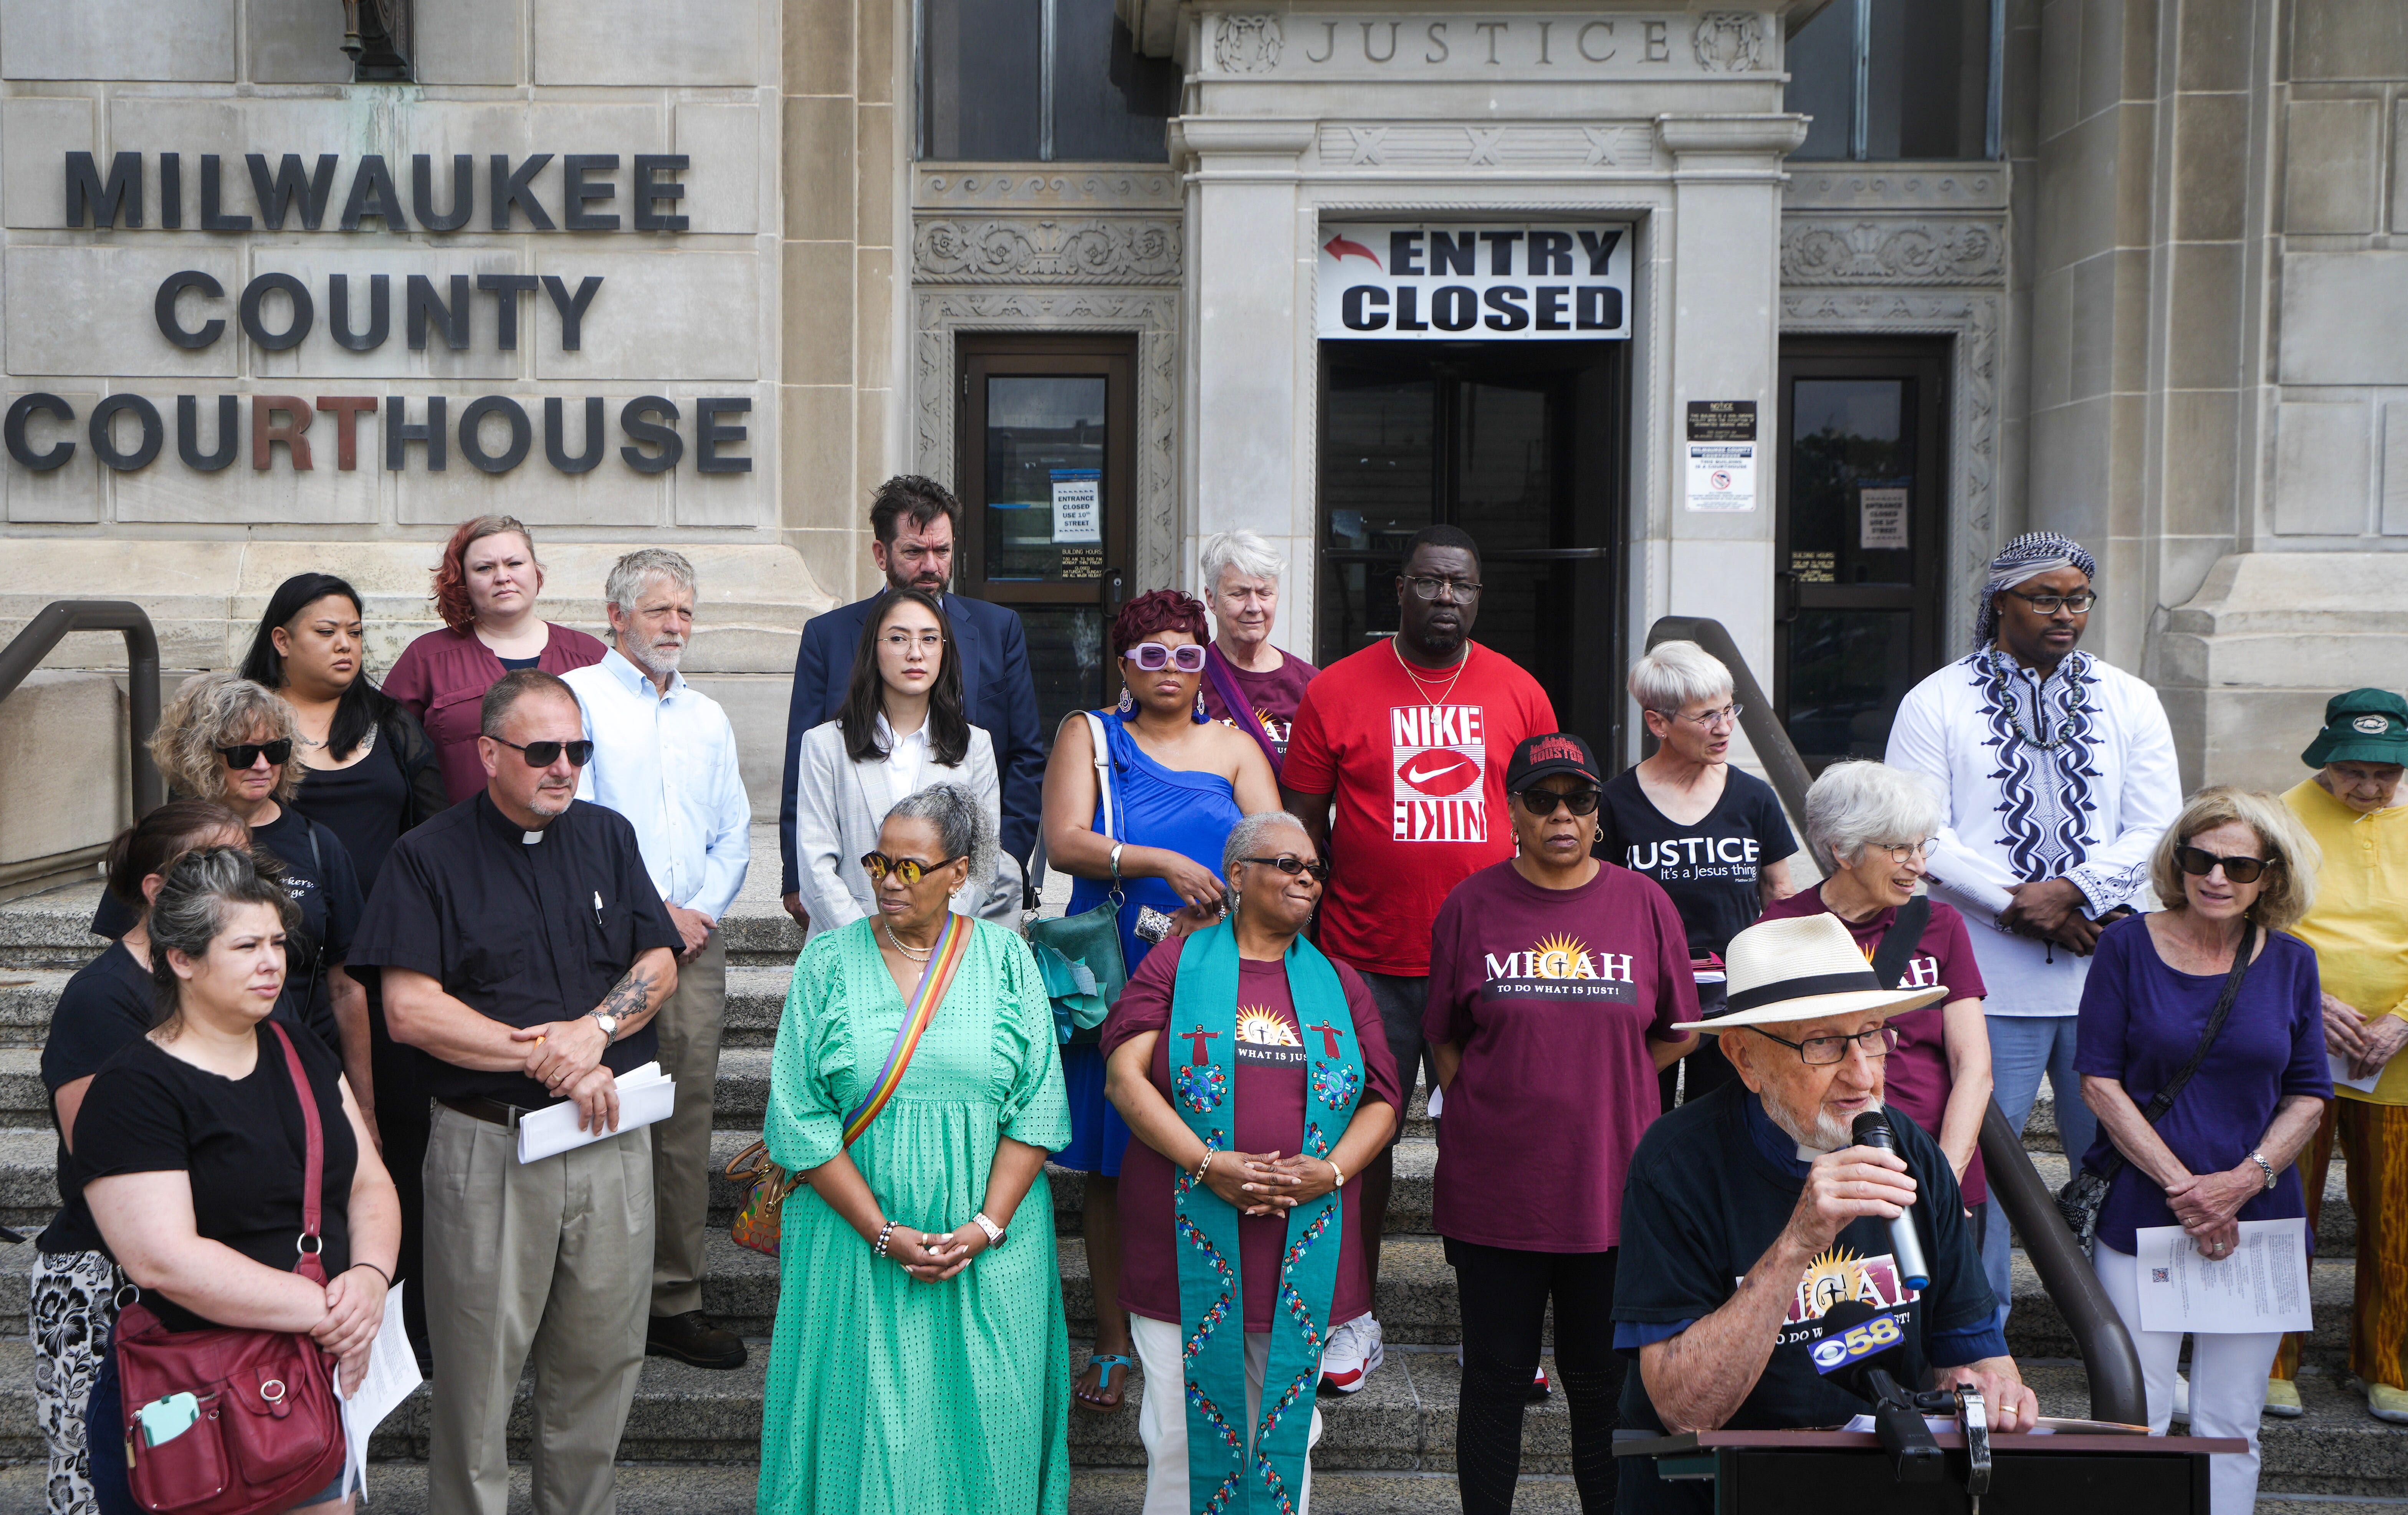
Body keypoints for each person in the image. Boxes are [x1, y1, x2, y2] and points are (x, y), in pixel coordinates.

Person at [347, 669, 682, 1515]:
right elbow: (410, 1010)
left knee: (602, 1362)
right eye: (542, 751)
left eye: (578, 749)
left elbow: (658, 959)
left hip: (609, 1138)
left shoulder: (608, 835)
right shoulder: (426, 856)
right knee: (477, 1376)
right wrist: (550, 1054)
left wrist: (595, 1031)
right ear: (489, 753)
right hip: (489, 1147)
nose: (564, 766)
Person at [1612, 912, 2036, 1515]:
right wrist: (1799, 1239)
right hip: (1717, 1488)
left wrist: (1992, 1388)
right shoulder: (1676, 1163)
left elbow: (1970, 1350)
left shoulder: (1910, 1150)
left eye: (1870, 1034)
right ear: (1744, 1058)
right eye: (1824, 1043)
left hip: (1882, 1481)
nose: (1862, 1074)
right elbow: (1685, 1407)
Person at [1282, 524, 1558, 1390]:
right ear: (1398, 588)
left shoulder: (1519, 692)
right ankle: (1350, 1318)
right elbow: (1302, 828)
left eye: (1462, 584)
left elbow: (1549, 824)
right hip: (1363, 958)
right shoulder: (1336, 690)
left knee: (1498, 1147)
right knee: (1354, 1145)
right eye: (1431, 582)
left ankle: (1499, 1328)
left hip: (1492, 960)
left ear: (1479, 595)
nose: (1446, 597)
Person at [757, 785, 1072, 1513]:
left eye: (909, 867)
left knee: (987, 1431)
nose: (885, 881)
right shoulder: (827, 961)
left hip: (990, 1250)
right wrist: (884, 1232)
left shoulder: (1005, 959)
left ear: (959, 873)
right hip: (853, 1245)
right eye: (877, 862)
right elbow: (799, 1119)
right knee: (858, 1431)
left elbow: (1039, 1105)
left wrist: (985, 1226)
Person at [76, 845, 399, 1515]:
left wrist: (368, 1278)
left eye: (279, 942)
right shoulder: (133, 1088)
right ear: (183, 959)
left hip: (312, 1384)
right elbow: (163, 1257)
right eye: (247, 945)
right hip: (192, 1393)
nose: (272, 962)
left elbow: (368, 1183)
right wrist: (335, 1317)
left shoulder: (299, 1047)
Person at [1423, 734, 1698, 1513]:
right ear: (1511, 809)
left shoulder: (1644, 903)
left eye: (1578, 799)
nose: (1560, 815)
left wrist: (1609, 1086)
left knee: (1602, 1386)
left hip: (1611, 1189)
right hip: (1496, 1190)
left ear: (1598, 813)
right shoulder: (1469, 904)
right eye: (1540, 799)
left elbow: (1681, 1026)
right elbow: (1441, 1030)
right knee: (1495, 1381)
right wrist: (1487, 1094)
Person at [1885, 533, 2180, 1250]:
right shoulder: (1936, 701)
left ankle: (2124, 1342)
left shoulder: (2129, 699)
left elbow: (2159, 826)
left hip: (2108, 974)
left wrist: (2074, 890)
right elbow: (1920, 832)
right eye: (2044, 597)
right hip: (1986, 983)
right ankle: (1979, 1346)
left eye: (2077, 599)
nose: (2065, 614)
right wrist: (2026, 910)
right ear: (1999, 602)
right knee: (1980, 1174)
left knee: (2117, 1166)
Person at [1103, 811, 1401, 1515]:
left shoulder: (1340, 982)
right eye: (1287, 864)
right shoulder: (1177, 961)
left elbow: (1384, 1103)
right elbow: (1124, 1078)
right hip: (1186, 1238)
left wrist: (1326, 1174)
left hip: (1302, 1241)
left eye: (1314, 870)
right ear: (1236, 875)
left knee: (1287, 1436)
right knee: (1178, 1435)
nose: (1306, 878)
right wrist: (1210, 1164)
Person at [1039, 588, 1278, 1412]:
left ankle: (1215, 1317)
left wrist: (1227, 900)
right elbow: (1065, 838)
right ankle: (1111, 1337)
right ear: (1124, 663)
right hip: (1117, 961)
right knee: (1113, 1159)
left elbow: (1276, 849)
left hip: (1213, 959)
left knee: (1210, 1132)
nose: (1169, 669)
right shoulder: (1092, 734)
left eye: (1185, 653)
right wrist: (1161, 863)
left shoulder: (1236, 745)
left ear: (1205, 660)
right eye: (1151, 654)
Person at [2074, 787, 2330, 1515]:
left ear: (2270, 876)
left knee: (2230, 1425)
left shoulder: (2292, 963)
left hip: (2257, 1220)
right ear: (2176, 861)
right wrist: (2188, 1187)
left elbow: (2309, 1093)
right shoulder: (2125, 945)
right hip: (2141, 1215)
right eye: (2199, 858)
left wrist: (2240, 1183)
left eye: (2239, 866)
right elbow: (2097, 1080)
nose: (2216, 878)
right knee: (2137, 1418)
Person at [240, 570, 449, 1368]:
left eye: (355, 630)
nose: (345, 644)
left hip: (383, 963)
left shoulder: (391, 724)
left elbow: (432, 834)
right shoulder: (247, 726)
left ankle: (404, 1322)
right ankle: (298, 1308)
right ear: (281, 637)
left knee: (394, 1140)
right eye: (326, 629)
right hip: (277, 969)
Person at [562, 550, 753, 1372]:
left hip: (692, 947)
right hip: (603, 945)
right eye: (658, 611)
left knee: (683, 1125)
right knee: (594, 1118)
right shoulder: (579, 696)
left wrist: (701, 909)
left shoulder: (709, 715)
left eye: (684, 612)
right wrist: (657, 915)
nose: (675, 625)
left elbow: (735, 828)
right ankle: (588, 1299)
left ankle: (672, 1299)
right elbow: (580, 811)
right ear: (617, 616)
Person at [31, 801, 247, 1515]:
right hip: (105, 1285)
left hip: (203, 1267)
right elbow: (100, 1151)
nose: (240, 880)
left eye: (246, 861)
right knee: (104, 1489)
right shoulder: (101, 998)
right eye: (217, 866)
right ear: (156, 891)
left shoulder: (226, 985)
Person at [1758, 761, 2003, 1322]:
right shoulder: (1779, 929)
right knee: (1848, 1330)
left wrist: (1942, 1178)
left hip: (1936, 1165)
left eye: (1923, 845)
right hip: (1829, 1176)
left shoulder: (1941, 925)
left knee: (1952, 1330)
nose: (1919, 864)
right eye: (1899, 848)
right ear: (1844, 850)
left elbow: (1974, 1067)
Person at [779, 475, 1044, 928]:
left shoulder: (998, 629)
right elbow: (801, 764)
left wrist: (1002, 864)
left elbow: (1024, 755)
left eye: (941, 551)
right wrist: (796, 875)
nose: (930, 565)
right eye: (914, 552)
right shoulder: (828, 636)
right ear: (881, 554)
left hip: (964, 895)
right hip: (856, 896)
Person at [2271, 691, 2408, 1423]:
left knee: (2396, 1217)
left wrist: (2404, 1019)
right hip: (2299, 1046)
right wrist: (2307, 1000)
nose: (2369, 787)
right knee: (2284, 1208)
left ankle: (2387, 1364)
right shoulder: (2279, 818)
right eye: (2352, 771)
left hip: (2399, 1059)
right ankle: (2269, 1361)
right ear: (2324, 760)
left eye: (2385, 775)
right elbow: (2254, 922)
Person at [137, 674, 368, 1095]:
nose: (263, 765)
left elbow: (346, 985)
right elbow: (134, 965)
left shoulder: (319, 844)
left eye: (275, 749)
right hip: (199, 1073)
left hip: (306, 1067)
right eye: (244, 753)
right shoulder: (164, 842)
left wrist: (365, 1108)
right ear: (200, 756)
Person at [1601, 640, 1799, 1112]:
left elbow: (1779, 893)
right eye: (1707, 716)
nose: (1725, 727)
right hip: (1645, 1002)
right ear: (1657, 722)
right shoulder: (1612, 802)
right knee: (1640, 1124)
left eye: (1729, 709)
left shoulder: (1754, 798)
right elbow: (1599, 906)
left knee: (1727, 1128)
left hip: (1735, 1003)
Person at [791, 587, 1019, 942]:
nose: (916, 653)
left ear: (944, 649)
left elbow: (983, 866)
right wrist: (872, 943)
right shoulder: (825, 745)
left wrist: (930, 934)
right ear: (873, 649)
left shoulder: (975, 746)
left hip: (941, 958)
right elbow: (816, 865)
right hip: (848, 951)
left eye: (929, 639)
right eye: (898, 638)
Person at [385, 514, 607, 805]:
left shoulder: (590, 657)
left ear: (536, 571)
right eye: (484, 568)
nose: (503, 577)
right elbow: (385, 756)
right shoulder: (427, 659)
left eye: (515, 563)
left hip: (570, 840)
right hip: (456, 841)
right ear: (463, 581)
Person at [1196, 529, 1320, 773]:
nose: (1254, 607)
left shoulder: (1312, 685)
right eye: (1239, 594)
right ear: (1211, 599)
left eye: (1265, 593)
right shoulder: (1188, 677)